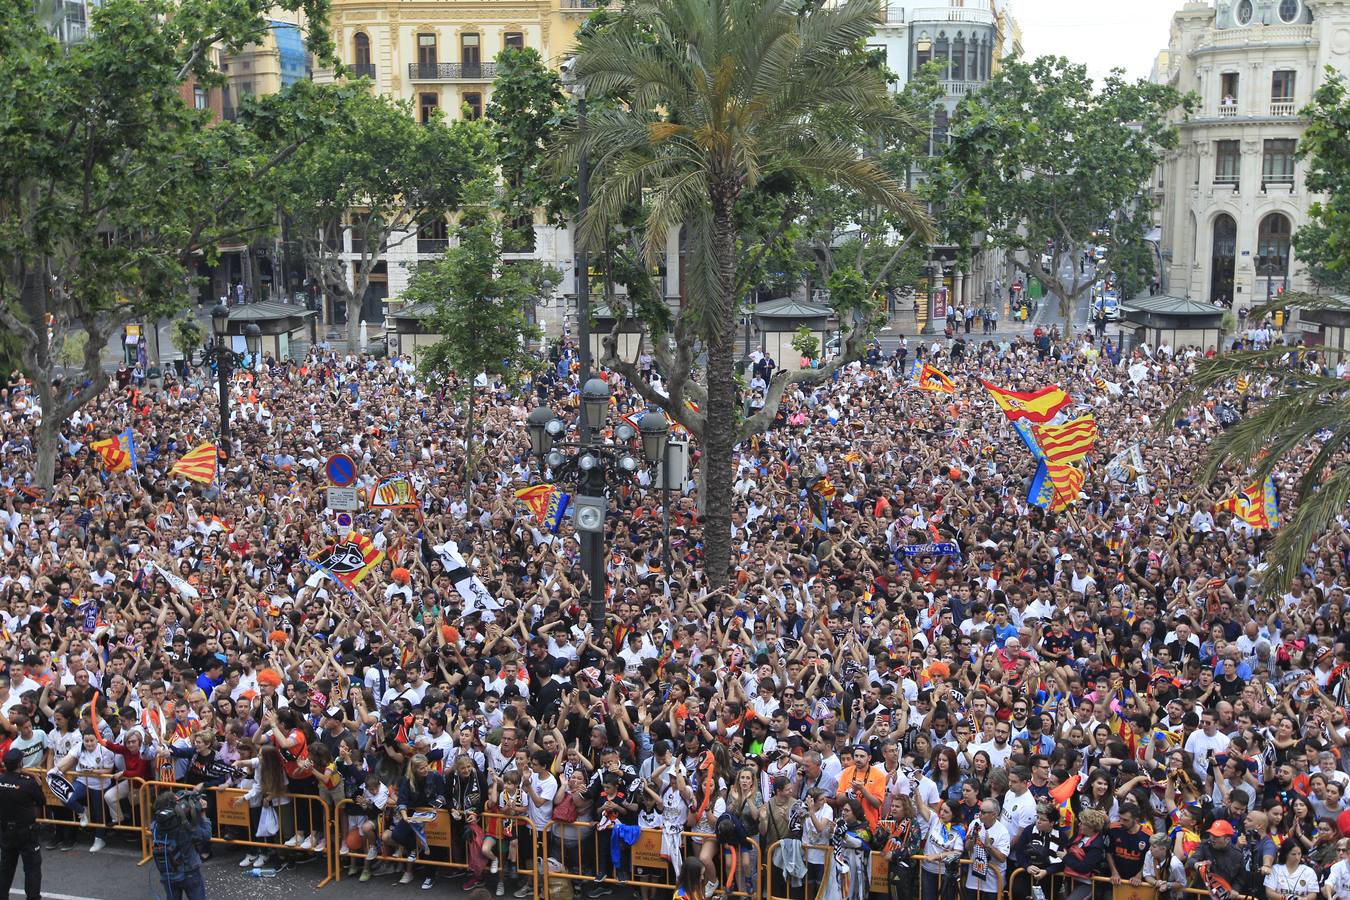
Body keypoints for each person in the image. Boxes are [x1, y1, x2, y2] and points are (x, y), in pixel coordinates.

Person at [149, 790, 212, 900]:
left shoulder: (155, 826)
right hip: (190, 872)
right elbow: (206, 835)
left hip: (168, 874)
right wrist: (202, 813)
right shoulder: (185, 827)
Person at [0, 749, 43, 900]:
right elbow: (41, 801)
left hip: (6, 830)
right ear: (20, 763)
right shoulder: (28, 784)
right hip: (26, 832)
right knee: (32, 868)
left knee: (5, 868)